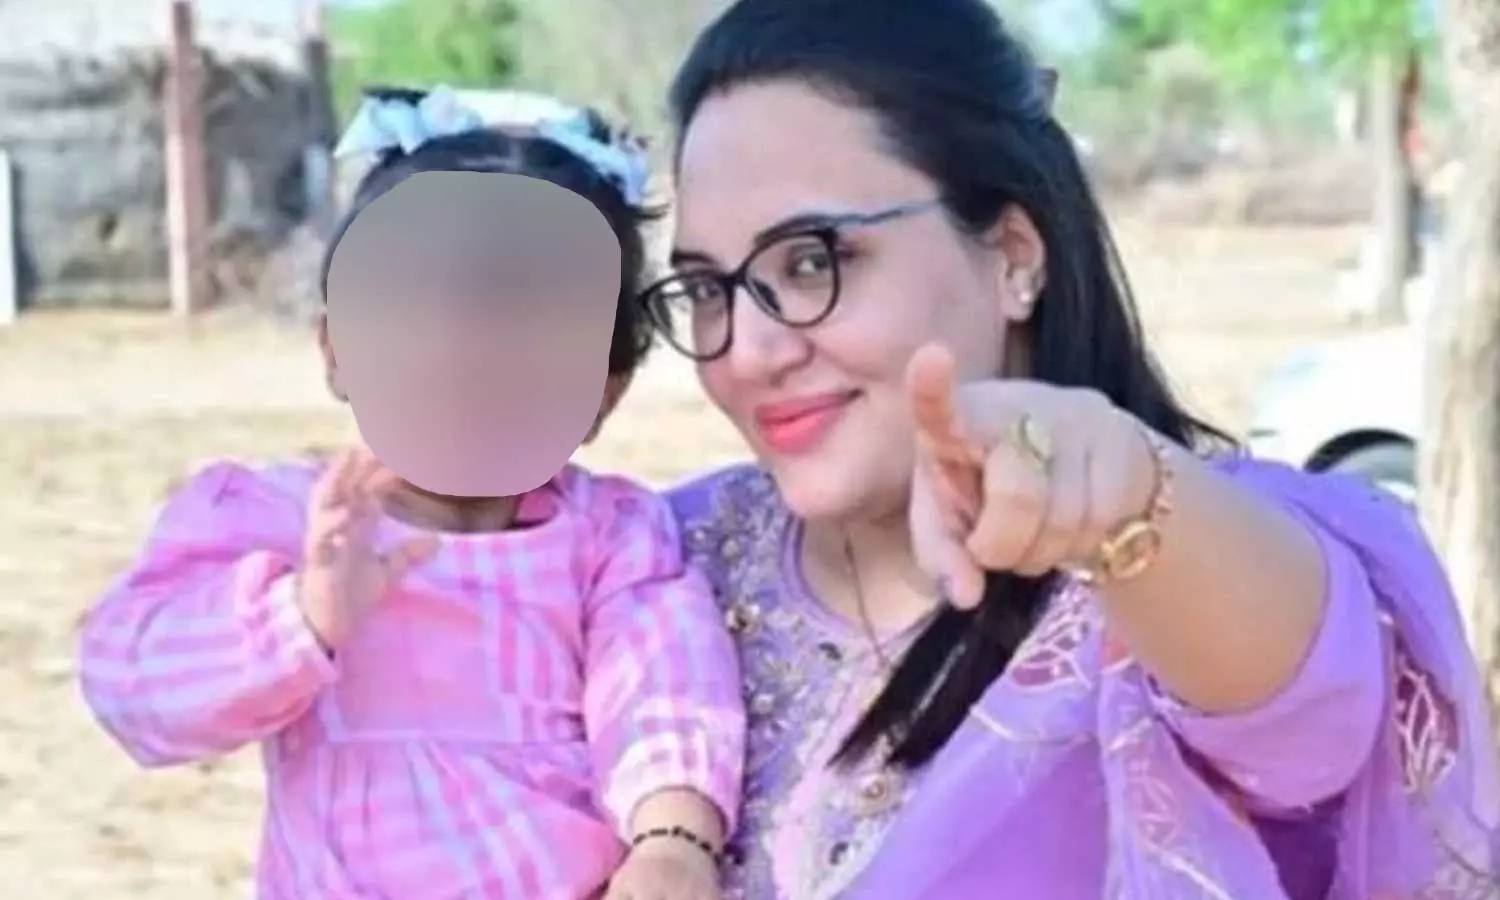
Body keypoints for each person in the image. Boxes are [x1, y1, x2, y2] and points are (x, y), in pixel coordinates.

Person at [638, 0, 1500, 897]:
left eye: (811, 262)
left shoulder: (1170, 551)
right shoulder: (660, 561)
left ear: (1014, 255)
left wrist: (1123, 503)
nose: (747, 351)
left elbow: (1320, 713)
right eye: (706, 288)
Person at [77, 87, 743, 900]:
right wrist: (301, 616)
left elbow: (665, 684)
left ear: (605, 389)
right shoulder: (281, 520)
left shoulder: (610, 537)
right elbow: (134, 688)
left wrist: (673, 841)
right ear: (338, 350)